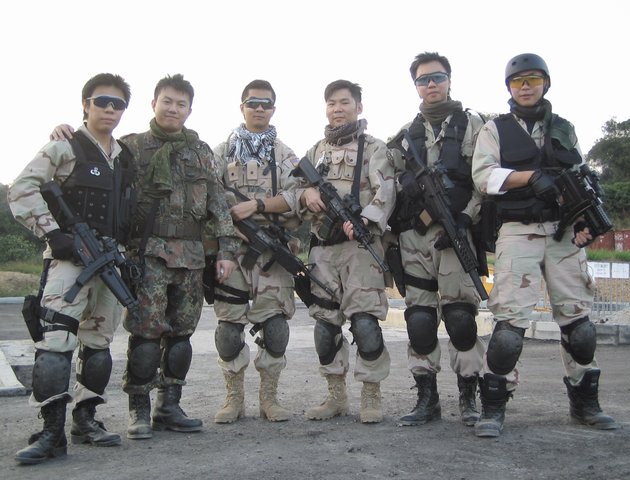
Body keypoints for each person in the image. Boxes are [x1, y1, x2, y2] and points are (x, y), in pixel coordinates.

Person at [50, 74, 240, 440]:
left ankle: (169, 406)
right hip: (146, 255)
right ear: (154, 104)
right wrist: (65, 132)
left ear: (189, 110)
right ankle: (138, 409)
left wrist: (227, 250)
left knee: (181, 337)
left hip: (191, 257)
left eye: (181, 104)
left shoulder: (201, 152)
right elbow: (92, 153)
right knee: (146, 337)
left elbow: (219, 203)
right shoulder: (130, 147)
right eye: (167, 101)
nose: (173, 109)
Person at [471, 53, 618, 437]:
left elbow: (581, 177)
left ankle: (585, 403)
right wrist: (529, 178)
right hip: (518, 231)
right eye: (518, 81)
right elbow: (483, 176)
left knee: (579, 326)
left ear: (545, 83)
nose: (525, 86)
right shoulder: (495, 129)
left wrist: (586, 219)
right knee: (509, 330)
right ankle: (493, 407)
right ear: (509, 87)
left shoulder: (564, 128)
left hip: (563, 233)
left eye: (533, 79)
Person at [9, 73, 134, 464]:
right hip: (69, 262)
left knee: (98, 346)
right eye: (102, 101)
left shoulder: (124, 156)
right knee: (55, 346)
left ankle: (86, 420)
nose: (110, 109)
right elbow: (22, 188)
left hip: (109, 260)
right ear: (85, 104)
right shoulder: (64, 146)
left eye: (117, 104)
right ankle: (51, 433)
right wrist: (52, 233)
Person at [387, 52, 486, 427]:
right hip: (414, 238)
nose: (431, 84)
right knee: (420, 320)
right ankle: (427, 400)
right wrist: (405, 184)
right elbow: (385, 183)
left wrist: (466, 217)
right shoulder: (403, 136)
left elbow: (483, 179)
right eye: (423, 79)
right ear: (415, 85)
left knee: (461, 318)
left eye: (437, 77)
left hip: (456, 232)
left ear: (449, 80)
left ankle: (469, 397)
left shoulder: (475, 126)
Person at [294, 80, 395, 423]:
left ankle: (371, 395)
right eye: (331, 103)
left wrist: (366, 219)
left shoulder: (374, 148)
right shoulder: (315, 151)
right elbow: (294, 190)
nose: (337, 109)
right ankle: (336, 397)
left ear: (358, 107)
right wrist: (306, 194)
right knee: (325, 326)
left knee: (365, 323)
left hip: (360, 248)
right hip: (323, 251)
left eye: (344, 102)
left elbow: (386, 191)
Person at [210, 79, 301, 423]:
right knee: (228, 331)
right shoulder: (221, 152)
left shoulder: (285, 154)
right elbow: (207, 194)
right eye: (252, 103)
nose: (259, 109)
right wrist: (228, 224)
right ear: (242, 107)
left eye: (265, 104)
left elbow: (296, 196)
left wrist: (258, 206)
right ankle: (233, 399)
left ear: (273, 109)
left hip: (271, 253)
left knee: (275, 328)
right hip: (232, 251)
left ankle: (269, 399)